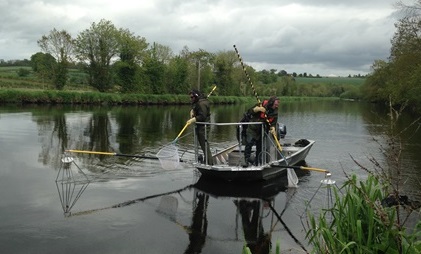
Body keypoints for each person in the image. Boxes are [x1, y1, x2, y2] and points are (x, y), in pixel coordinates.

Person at [243, 96, 279, 167]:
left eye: (278, 104)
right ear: (271, 103)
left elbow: (273, 123)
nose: (277, 106)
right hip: (252, 128)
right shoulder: (261, 104)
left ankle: (258, 162)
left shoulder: (275, 112)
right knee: (249, 143)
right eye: (276, 104)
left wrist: (273, 128)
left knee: (260, 147)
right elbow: (249, 111)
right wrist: (257, 109)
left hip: (262, 131)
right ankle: (247, 160)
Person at [186, 89, 213, 165]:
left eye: (192, 97)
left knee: (204, 145)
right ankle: (207, 160)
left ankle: (209, 163)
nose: (191, 99)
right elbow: (198, 111)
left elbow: (202, 116)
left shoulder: (201, 104)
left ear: (196, 96)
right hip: (201, 127)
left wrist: (192, 120)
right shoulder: (200, 102)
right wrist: (193, 112)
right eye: (190, 97)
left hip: (203, 127)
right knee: (203, 145)